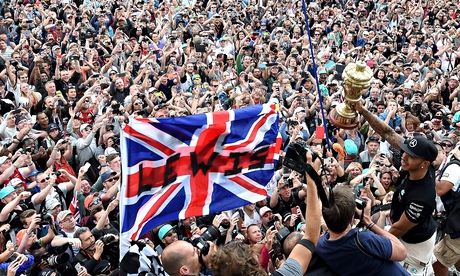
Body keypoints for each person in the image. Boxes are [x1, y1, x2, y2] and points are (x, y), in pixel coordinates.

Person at [354, 100, 438, 275]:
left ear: (424, 164)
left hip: (414, 244)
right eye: (405, 152)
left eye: (411, 156)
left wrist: (371, 243)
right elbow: (387, 131)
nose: (404, 157)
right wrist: (362, 110)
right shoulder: (418, 161)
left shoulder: (422, 198)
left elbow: (398, 229)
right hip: (406, 228)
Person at [315, 186, 408, 275]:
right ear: (352, 217)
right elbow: (401, 253)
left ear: (324, 216)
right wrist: (368, 222)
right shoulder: (364, 239)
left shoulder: (320, 246)